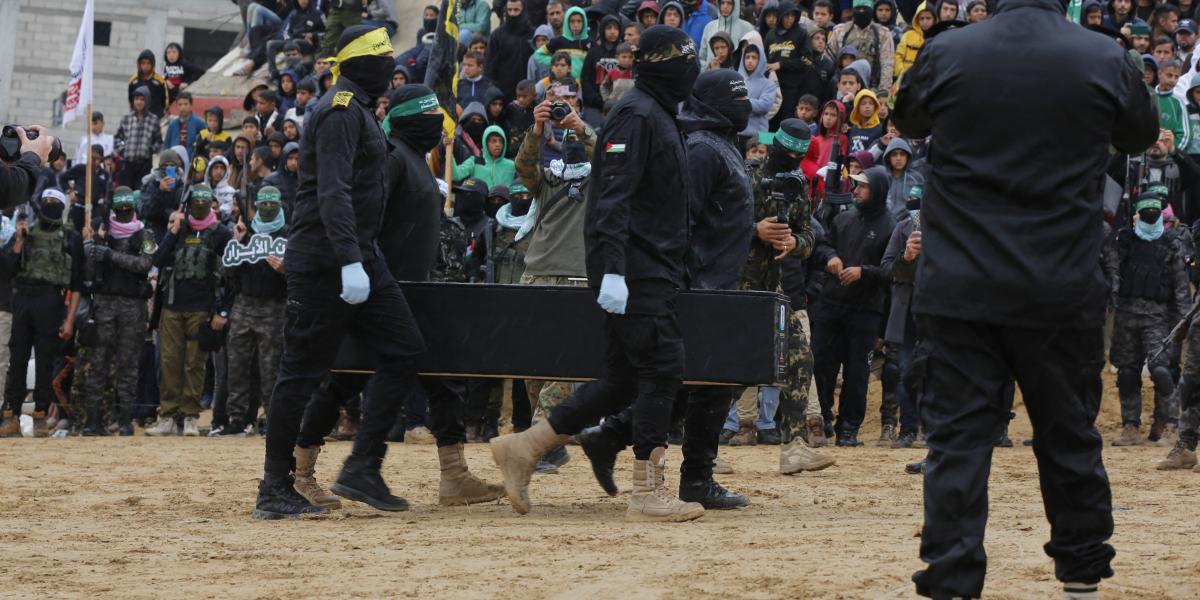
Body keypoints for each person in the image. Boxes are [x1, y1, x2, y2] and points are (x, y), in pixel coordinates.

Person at [891, 0, 1159, 595]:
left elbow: (907, 121)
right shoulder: (1103, 56)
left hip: (962, 286)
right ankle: (1082, 579)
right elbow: (1140, 134)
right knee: (1069, 437)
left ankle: (953, 582)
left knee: (957, 445)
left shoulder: (948, 52)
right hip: (1058, 285)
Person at [490, 25, 704, 523]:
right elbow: (613, 198)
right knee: (662, 368)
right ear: (660, 64)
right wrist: (611, 271)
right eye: (685, 58)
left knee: (621, 380)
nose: (691, 67)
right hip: (636, 271)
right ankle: (648, 491)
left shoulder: (659, 113)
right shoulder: (636, 114)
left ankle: (524, 447)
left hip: (651, 268)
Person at [254, 25, 432, 520]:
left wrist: (361, 257)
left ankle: (362, 465)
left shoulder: (358, 111)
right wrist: (350, 259)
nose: (390, 67)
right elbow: (331, 192)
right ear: (358, 65)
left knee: (406, 347)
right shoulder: (336, 112)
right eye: (382, 59)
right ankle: (275, 487)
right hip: (326, 260)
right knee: (301, 371)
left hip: (361, 257)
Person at [512, 98, 596, 471]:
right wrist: (537, 128)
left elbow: (614, 158)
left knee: (563, 368)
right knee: (535, 365)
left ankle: (536, 445)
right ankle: (554, 442)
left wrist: (581, 127)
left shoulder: (599, 177)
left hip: (578, 278)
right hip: (537, 274)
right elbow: (523, 167)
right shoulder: (547, 178)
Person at [811, 165, 895, 446]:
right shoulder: (844, 219)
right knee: (822, 365)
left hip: (866, 310)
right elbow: (822, 244)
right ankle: (821, 421)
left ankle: (848, 428)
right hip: (831, 304)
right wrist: (831, 257)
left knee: (857, 372)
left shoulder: (890, 227)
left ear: (878, 191)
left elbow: (892, 271)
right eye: (855, 185)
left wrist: (864, 272)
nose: (856, 190)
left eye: (863, 186)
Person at [1103, 186, 1191, 447]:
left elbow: (1180, 284)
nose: (1150, 214)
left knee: (1162, 371)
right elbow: (1113, 273)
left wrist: (1184, 319)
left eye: (1155, 210)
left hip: (1158, 317)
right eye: (1145, 211)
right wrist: (1110, 304)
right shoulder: (1124, 241)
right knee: (1128, 372)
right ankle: (1131, 425)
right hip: (1127, 314)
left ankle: (1171, 424)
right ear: (1137, 214)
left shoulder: (1172, 242)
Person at [146, 184, 233, 437]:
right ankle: (168, 416)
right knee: (170, 363)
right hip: (172, 307)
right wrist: (173, 231)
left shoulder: (220, 234)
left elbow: (229, 277)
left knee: (195, 365)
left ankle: (190, 417)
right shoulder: (179, 229)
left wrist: (221, 311)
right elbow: (157, 260)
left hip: (202, 309)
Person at [0, 188, 83, 438]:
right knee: (17, 359)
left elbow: (77, 283)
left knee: (46, 360)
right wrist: (19, 241)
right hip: (23, 298)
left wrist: (69, 320)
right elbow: (7, 269)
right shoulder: (26, 233)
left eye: (53, 202)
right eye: (45, 202)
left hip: (51, 300)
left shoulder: (70, 238)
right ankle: (10, 416)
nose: (49, 205)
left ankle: (39, 416)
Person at [212, 186, 289, 437]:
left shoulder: (288, 234)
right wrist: (237, 240)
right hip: (244, 305)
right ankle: (237, 419)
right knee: (237, 366)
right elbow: (227, 272)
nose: (267, 209)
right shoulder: (245, 232)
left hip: (274, 307)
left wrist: (285, 270)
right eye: (263, 204)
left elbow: (303, 275)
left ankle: (274, 419)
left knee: (270, 370)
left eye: (271, 204)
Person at [79, 186, 154, 437]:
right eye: (119, 209)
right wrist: (91, 246)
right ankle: (92, 421)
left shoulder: (145, 233)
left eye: (127, 209)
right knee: (98, 364)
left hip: (133, 305)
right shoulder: (102, 230)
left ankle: (124, 420)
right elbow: (88, 271)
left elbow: (144, 264)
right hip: (104, 302)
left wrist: (109, 254)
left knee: (128, 365)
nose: (123, 213)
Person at [878, 183, 923, 448]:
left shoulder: (949, 229)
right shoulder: (902, 228)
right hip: (906, 312)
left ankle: (933, 431)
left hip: (937, 310)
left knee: (937, 372)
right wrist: (906, 257)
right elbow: (886, 269)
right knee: (906, 371)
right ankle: (908, 429)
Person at [829, 0, 896, 94]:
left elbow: (887, 64)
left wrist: (883, 91)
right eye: (858, 9)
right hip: (844, 87)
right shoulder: (840, 31)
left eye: (865, 9)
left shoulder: (883, 33)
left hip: (872, 89)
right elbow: (829, 58)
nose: (861, 12)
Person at [114, 87, 163, 188]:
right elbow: (117, 139)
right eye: (136, 99)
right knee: (126, 193)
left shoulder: (153, 120)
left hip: (144, 165)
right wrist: (123, 150)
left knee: (140, 193)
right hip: (127, 165)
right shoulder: (126, 119)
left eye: (142, 99)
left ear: (147, 100)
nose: (138, 102)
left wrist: (149, 150)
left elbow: (159, 142)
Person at [487, 0, 536, 100]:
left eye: (516, 10)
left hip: (528, 94)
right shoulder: (496, 36)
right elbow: (490, 68)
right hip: (503, 94)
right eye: (510, 10)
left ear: (523, 11)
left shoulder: (533, 35)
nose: (512, 14)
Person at [127, 49, 169, 118]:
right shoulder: (133, 80)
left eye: (148, 63)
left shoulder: (160, 81)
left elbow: (165, 102)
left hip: (156, 118)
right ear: (139, 64)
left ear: (153, 64)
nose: (146, 66)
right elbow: (130, 101)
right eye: (143, 63)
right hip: (137, 118)